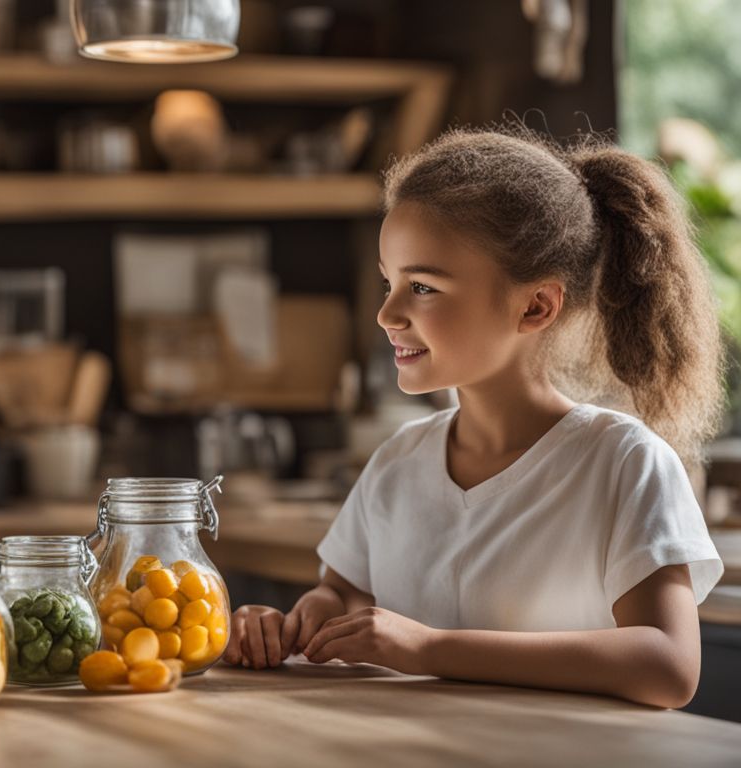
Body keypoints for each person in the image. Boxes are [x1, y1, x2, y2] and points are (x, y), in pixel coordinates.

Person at [225, 126, 725, 709]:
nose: (387, 313)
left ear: (536, 306)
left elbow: (668, 666)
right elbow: (343, 597)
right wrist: (294, 625)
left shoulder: (625, 464)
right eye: (390, 283)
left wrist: (432, 649)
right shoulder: (397, 463)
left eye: (422, 286)